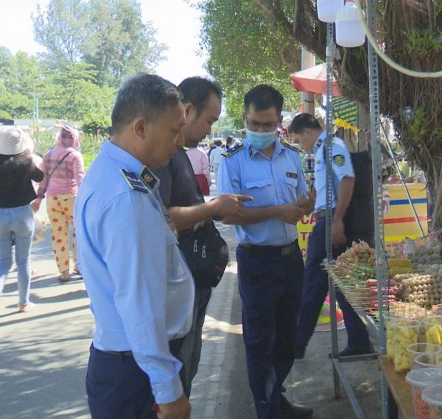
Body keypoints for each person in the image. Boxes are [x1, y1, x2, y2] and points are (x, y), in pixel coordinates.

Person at [75, 74, 194, 419]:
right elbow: (139, 301)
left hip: (128, 363)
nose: (180, 140)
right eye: (174, 130)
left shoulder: (116, 175)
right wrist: (167, 391)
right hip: (135, 371)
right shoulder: (125, 196)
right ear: (141, 127)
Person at [218, 84, 315, 419]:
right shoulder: (232, 161)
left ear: (280, 122)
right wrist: (277, 211)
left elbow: (301, 201)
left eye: (267, 125)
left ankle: (277, 398)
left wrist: (307, 204)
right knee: (260, 341)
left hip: (291, 259)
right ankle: (267, 411)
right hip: (257, 261)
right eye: (254, 124)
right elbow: (228, 215)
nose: (260, 131)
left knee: (289, 336)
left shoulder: (292, 156)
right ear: (245, 118)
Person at [155, 76, 249, 397]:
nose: (210, 130)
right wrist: (211, 210)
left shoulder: (178, 154)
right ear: (188, 110)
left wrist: (213, 209)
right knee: (177, 379)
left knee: (188, 371)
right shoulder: (162, 158)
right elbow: (161, 219)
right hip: (178, 286)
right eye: (209, 120)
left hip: (193, 282)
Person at [287, 113, 373, 359]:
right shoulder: (325, 148)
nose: (301, 145)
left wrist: (336, 221)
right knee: (340, 284)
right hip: (328, 217)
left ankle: (298, 341)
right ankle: (358, 340)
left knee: (313, 280)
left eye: (298, 139)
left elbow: (347, 178)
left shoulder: (331, 146)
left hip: (333, 219)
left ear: (306, 132)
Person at [0, 128, 44, 320]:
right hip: (22, 214)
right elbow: (40, 177)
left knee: (4, 261)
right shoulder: (25, 162)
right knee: (23, 260)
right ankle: (23, 302)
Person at [33, 126, 85, 282]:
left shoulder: (48, 155)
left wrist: (38, 199)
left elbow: (44, 180)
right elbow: (80, 178)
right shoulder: (75, 156)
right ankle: (79, 264)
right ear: (74, 139)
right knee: (79, 232)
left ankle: (63, 271)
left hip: (52, 199)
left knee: (58, 235)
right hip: (72, 198)